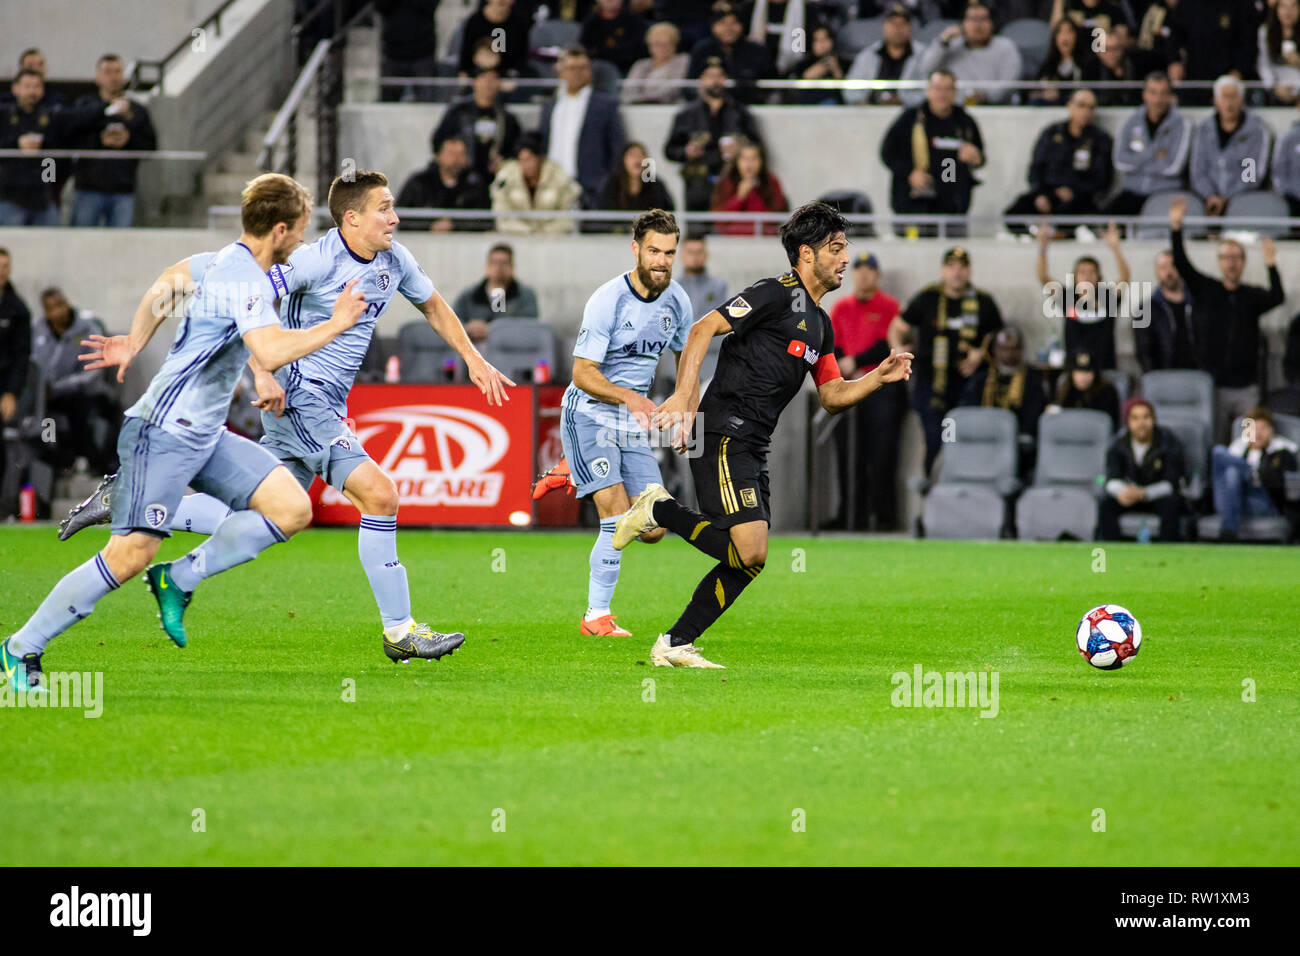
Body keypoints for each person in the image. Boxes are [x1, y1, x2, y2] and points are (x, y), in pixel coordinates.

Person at [58, 170, 515, 663]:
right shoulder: (313, 261)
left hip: (322, 402)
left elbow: (435, 306)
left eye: (393, 206)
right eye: (384, 207)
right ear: (352, 217)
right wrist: (262, 371)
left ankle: (133, 503)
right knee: (380, 496)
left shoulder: (394, 259)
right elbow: (250, 304)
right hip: (301, 395)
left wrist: (473, 358)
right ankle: (400, 630)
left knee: (262, 516)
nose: (394, 217)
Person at [1, 173, 367, 694]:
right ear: (280, 230)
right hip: (161, 432)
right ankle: (20, 649)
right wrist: (336, 323)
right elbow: (267, 349)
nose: (304, 243)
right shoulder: (248, 281)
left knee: (292, 509)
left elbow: (169, 280)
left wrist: (134, 339)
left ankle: (180, 576)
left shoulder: (223, 261)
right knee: (129, 555)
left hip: (206, 435)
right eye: (302, 232)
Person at [608, 202, 913, 669]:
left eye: (846, 248)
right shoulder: (775, 293)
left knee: (749, 559)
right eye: (836, 248)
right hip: (723, 433)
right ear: (807, 255)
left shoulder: (822, 324)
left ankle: (674, 642)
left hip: (754, 444)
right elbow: (701, 328)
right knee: (751, 549)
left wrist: (878, 376)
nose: (845, 259)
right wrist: (686, 399)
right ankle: (657, 507)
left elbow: (831, 393)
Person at [542, 209, 694, 638]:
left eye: (669, 252)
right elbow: (582, 374)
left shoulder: (678, 301)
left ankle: (571, 469)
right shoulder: (609, 299)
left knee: (654, 527)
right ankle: (596, 617)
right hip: (589, 415)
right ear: (635, 249)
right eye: (653, 251)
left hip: (631, 424)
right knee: (613, 516)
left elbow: (688, 363)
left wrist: (685, 412)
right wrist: (631, 396)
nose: (662, 261)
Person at [1168, 194, 1283, 442]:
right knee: (1215, 440)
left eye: (1236, 257)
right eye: (1226, 257)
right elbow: (1182, 263)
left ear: (1243, 262)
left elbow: (1277, 296)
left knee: (1248, 442)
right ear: (1219, 262)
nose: (1231, 263)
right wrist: (1176, 228)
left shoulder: (1251, 295)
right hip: (1213, 384)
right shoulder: (1206, 289)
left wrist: (1271, 264)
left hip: (1246, 387)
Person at [889, 246, 1003, 475]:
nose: (957, 273)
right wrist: (899, 348)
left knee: (965, 441)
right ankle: (931, 495)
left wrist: (982, 352)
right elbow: (897, 327)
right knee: (935, 440)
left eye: (962, 267)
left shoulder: (983, 301)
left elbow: (999, 337)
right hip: (931, 386)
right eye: (951, 267)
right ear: (943, 271)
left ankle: (962, 495)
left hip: (968, 387)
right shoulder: (928, 297)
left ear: (969, 272)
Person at [829, 251, 906, 530]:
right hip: (850, 387)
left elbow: (890, 344)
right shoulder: (841, 308)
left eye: (869, 270)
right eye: (858, 269)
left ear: (877, 275)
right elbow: (833, 345)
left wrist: (857, 361)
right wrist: (842, 365)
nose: (863, 274)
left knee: (883, 454)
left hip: (882, 388)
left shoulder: (890, 306)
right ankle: (851, 516)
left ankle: (884, 518)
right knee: (849, 455)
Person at [879, 69, 985, 237]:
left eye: (948, 89)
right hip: (914, 203)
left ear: (955, 92)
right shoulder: (910, 119)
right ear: (928, 91)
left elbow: (981, 157)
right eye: (937, 88)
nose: (942, 94)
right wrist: (910, 173)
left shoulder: (965, 121)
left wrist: (976, 157)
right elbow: (887, 153)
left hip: (953, 205)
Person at [61, 54, 157, 227]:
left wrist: (128, 139)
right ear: (97, 77)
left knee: (120, 245)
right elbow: (69, 134)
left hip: (123, 190)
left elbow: (150, 147)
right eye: (107, 72)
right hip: (88, 188)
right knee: (81, 242)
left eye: (118, 71)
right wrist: (100, 137)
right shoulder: (84, 105)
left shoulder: (136, 110)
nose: (113, 77)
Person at [32, 288, 120, 476]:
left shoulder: (87, 329)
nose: (59, 312)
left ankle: (97, 461)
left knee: (83, 406)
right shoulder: (37, 331)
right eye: (52, 308)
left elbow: (94, 369)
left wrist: (60, 387)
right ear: (46, 312)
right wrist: (43, 389)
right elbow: (33, 365)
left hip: (86, 392)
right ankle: (58, 462)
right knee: (43, 416)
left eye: (61, 305)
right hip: (48, 395)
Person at [1004, 90, 1114, 235]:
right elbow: (1036, 169)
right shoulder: (1051, 133)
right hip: (1048, 193)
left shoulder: (1101, 140)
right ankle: (1032, 237)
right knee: (1014, 213)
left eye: (1091, 107)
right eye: (1081, 106)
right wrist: (1040, 194)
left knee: (1089, 216)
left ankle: (1061, 236)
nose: (1086, 112)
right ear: (1070, 106)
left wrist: (1075, 191)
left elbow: (1102, 179)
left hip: (1080, 198)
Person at [664, 58, 763, 211]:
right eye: (710, 76)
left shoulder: (741, 112)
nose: (715, 81)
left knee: (731, 228)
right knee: (697, 230)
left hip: (733, 181)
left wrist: (741, 148)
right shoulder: (687, 114)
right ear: (701, 80)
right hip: (698, 182)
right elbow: (670, 150)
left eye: (720, 76)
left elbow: (758, 146)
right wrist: (687, 151)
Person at [539, 45, 627, 208]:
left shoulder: (605, 105)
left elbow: (617, 147)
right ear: (561, 70)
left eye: (583, 68)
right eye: (572, 68)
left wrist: (607, 183)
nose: (577, 73)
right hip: (553, 187)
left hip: (592, 188)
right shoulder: (550, 105)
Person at [1037, 221, 1128, 370]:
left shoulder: (1107, 297)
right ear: (1075, 276)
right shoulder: (1067, 297)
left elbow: (1124, 278)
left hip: (1105, 368)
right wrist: (1042, 248)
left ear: (1098, 276)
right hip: (1074, 371)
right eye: (1082, 272)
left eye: (1092, 272)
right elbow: (1043, 277)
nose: (1087, 276)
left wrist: (1116, 249)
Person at [959, 325, 1048, 475]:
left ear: (1021, 350)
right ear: (995, 350)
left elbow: (1034, 417)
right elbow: (967, 411)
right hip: (983, 443)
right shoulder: (981, 379)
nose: (1008, 354)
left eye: (1013, 349)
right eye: (1003, 349)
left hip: (1018, 447)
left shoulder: (1033, 380)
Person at [1098, 396, 1186, 541]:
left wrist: (1143, 493)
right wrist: (1123, 491)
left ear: (1154, 419)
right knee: (1106, 503)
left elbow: (1171, 483)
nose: (1141, 423)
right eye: (1135, 418)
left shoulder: (1168, 442)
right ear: (1128, 422)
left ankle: (1168, 551)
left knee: (1171, 503)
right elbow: (1110, 479)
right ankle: (1111, 550)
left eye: (1146, 417)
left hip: (1156, 495)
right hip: (1127, 496)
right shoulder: (1117, 444)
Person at [1107, 72, 1191, 218]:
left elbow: (1173, 167)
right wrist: (1153, 154)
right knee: (1107, 222)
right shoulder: (1131, 122)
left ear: (1170, 96)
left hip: (1165, 191)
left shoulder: (1182, 124)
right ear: (1144, 94)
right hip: (1133, 190)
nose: (1158, 99)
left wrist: (1137, 161)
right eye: (1153, 93)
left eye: (1163, 93)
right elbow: (1120, 161)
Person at [1189, 75, 1273, 217]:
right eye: (1224, 97)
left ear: (1241, 100)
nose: (1229, 103)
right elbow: (1198, 171)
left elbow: (1252, 175)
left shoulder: (1256, 131)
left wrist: (1226, 197)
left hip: (1243, 198)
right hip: (1207, 199)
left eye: (1233, 97)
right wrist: (1210, 195)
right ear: (1216, 101)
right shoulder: (1203, 129)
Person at [1211, 406, 1299, 540]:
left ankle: (1228, 530)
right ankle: (1247, 469)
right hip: (1230, 499)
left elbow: (1282, 488)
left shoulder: (1282, 452)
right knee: (1219, 452)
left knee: (1233, 471)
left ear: (1271, 431)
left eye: (1263, 428)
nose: (1258, 433)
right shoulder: (1237, 449)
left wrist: (1259, 473)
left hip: (1261, 502)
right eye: (1253, 429)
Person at [912, 2, 1023, 105]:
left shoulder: (1006, 47)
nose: (978, 25)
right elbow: (925, 70)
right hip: (954, 110)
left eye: (983, 19)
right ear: (962, 24)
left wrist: (985, 96)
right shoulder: (950, 46)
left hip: (996, 109)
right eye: (972, 19)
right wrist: (942, 43)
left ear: (992, 23)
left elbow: (1009, 84)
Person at [431, 66, 522, 184]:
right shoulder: (458, 112)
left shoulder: (507, 118)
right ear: (474, 82)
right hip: (460, 179)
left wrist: (505, 162)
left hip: (494, 179)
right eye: (483, 78)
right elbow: (438, 141)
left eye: (493, 79)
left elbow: (517, 148)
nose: (488, 84)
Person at [0, 69, 62, 226]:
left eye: (36, 86)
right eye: (27, 86)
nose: (32, 91)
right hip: (9, 198)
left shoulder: (50, 117)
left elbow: (53, 158)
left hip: (43, 198)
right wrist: (16, 144)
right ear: (15, 88)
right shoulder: (4, 116)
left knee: (52, 243)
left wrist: (50, 183)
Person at [395, 133, 490, 231]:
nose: (456, 159)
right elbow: (401, 217)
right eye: (451, 154)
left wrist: (455, 226)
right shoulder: (419, 183)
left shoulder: (475, 185)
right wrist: (429, 227)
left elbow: (485, 220)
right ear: (438, 156)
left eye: (461, 154)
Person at [491, 134, 584, 233]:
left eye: (529, 159)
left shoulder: (559, 177)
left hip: (553, 239)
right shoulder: (505, 178)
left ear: (540, 159)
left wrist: (543, 232)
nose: (526, 165)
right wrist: (528, 231)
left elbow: (568, 218)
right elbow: (502, 217)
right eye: (521, 160)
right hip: (517, 237)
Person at [687, 1, 775, 103]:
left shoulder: (757, 50)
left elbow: (771, 86)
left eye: (734, 23)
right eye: (722, 23)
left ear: (741, 26)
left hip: (750, 108)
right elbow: (688, 86)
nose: (728, 28)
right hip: (707, 109)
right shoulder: (702, 50)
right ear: (713, 26)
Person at [451, 243, 541, 343]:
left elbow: (530, 327)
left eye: (504, 263)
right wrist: (468, 328)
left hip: (511, 350)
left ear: (512, 267)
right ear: (487, 266)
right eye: (494, 262)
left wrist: (494, 330)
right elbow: (452, 322)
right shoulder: (469, 295)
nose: (499, 268)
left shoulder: (524, 295)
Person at [844, 3, 925, 107]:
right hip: (871, 112)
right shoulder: (868, 55)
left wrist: (904, 101)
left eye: (903, 24)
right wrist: (862, 104)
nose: (897, 29)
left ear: (910, 28)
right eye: (893, 24)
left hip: (908, 113)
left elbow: (930, 90)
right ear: (884, 26)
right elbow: (850, 89)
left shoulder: (923, 55)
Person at [709, 137, 788, 236]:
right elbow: (718, 219)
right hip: (731, 241)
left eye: (754, 159)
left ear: (761, 161)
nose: (749, 164)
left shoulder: (770, 181)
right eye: (744, 159)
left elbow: (775, 217)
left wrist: (753, 193)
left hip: (765, 241)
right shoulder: (726, 181)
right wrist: (739, 198)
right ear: (737, 161)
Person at [1136, 248, 1198, 372]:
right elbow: (1143, 351)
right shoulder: (1144, 309)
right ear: (1156, 272)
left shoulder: (1199, 303)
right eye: (1163, 267)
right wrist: (1154, 379)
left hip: (1198, 375)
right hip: (1164, 376)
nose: (1169, 272)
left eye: (1173, 266)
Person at [375, 0, 440, 102]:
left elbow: (431, 6)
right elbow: (380, 6)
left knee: (427, 104)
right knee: (388, 103)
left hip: (423, 52)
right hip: (393, 52)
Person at [596, 141, 675, 223]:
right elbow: (604, 217)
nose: (637, 160)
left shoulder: (656, 185)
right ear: (623, 160)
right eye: (632, 155)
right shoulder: (612, 185)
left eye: (641, 155)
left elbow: (666, 214)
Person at [457, 0, 532, 78]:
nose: (501, 1)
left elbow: (521, 59)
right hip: (478, 77)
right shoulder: (474, 22)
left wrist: (512, 78)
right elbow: (465, 57)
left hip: (506, 79)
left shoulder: (519, 24)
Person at [0, 248, 31, 433]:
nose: (2, 271)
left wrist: (11, 393)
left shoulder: (18, 310)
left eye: (5, 266)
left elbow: (21, 355)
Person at [622, 21, 690, 104]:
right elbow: (629, 90)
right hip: (639, 107)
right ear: (650, 46)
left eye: (667, 44)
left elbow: (673, 90)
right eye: (657, 44)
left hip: (669, 106)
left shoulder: (682, 60)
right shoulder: (640, 64)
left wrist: (646, 99)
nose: (662, 48)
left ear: (675, 44)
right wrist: (641, 100)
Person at [782, 23, 848, 106]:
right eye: (817, 40)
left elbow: (848, 94)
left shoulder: (843, 63)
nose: (822, 44)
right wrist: (806, 77)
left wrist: (836, 71)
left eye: (825, 39)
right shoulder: (802, 65)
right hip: (808, 107)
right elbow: (791, 91)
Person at [1052, 349, 1120, 428]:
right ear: (1071, 374)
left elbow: (1112, 424)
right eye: (1078, 372)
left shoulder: (1107, 392)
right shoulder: (1065, 390)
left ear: (1095, 374)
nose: (1083, 377)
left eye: (1087, 372)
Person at [581, 0, 649, 75]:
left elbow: (638, 50)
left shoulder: (635, 21)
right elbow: (586, 49)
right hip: (597, 71)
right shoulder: (590, 23)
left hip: (628, 69)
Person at [1032, 17, 1087, 106]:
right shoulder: (1048, 65)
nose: (1065, 37)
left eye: (1069, 32)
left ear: (1076, 35)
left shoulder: (1086, 64)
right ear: (1055, 37)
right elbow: (1035, 91)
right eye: (1060, 32)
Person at [1082, 26, 1142, 107]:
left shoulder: (1134, 66)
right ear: (1098, 52)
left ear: (1122, 49)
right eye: (1106, 49)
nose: (1111, 54)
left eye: (1115, 48)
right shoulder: (1090, 69)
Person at [676, 235, 728, 318]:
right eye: (690, 252)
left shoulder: (719, 286)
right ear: (681, 255)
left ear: (706, 255)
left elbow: (722, 319)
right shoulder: (672, 289)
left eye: (699, 252)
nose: (695, 257)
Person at [1259, 0, 1300, 105]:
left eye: (1293, 7)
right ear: (1276, 9)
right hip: (1276, 90)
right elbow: (1263, 66)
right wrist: (1274, 88)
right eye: (1283, 7)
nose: (1288, 12)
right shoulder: (1265, 32)